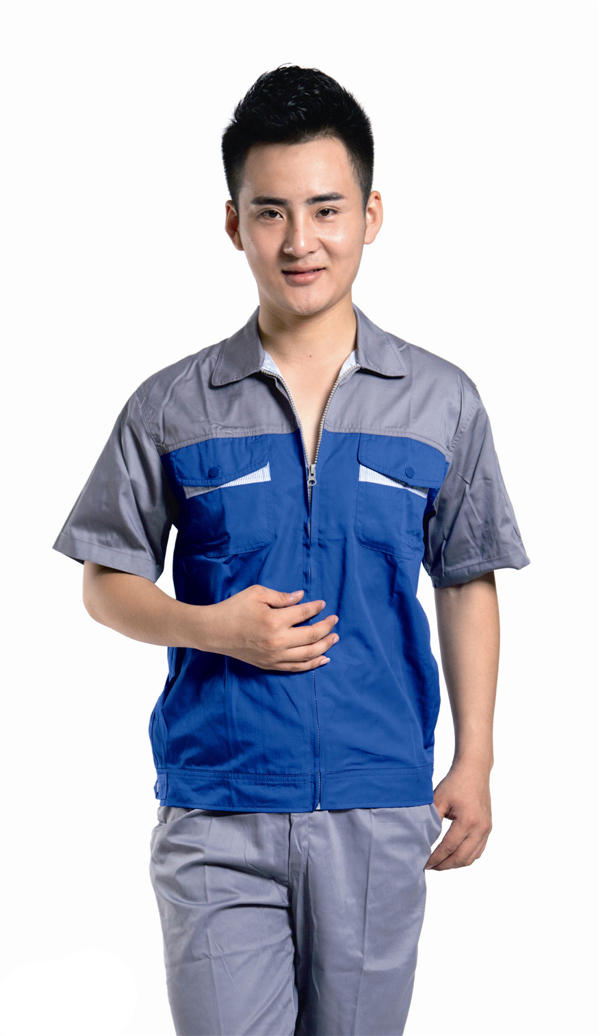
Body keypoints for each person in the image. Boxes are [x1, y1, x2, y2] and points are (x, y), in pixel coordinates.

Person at [52, 65, 530, 1036]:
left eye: (325, 209)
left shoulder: (441, 402)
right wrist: (212, 627)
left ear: (371, 214)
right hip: (218, 806)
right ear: (234, 224)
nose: (299, 241)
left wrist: (475, 758)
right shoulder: (174, 405)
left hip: (378, 802)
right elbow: (105, 581)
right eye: (270, 213)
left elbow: (466, 579)